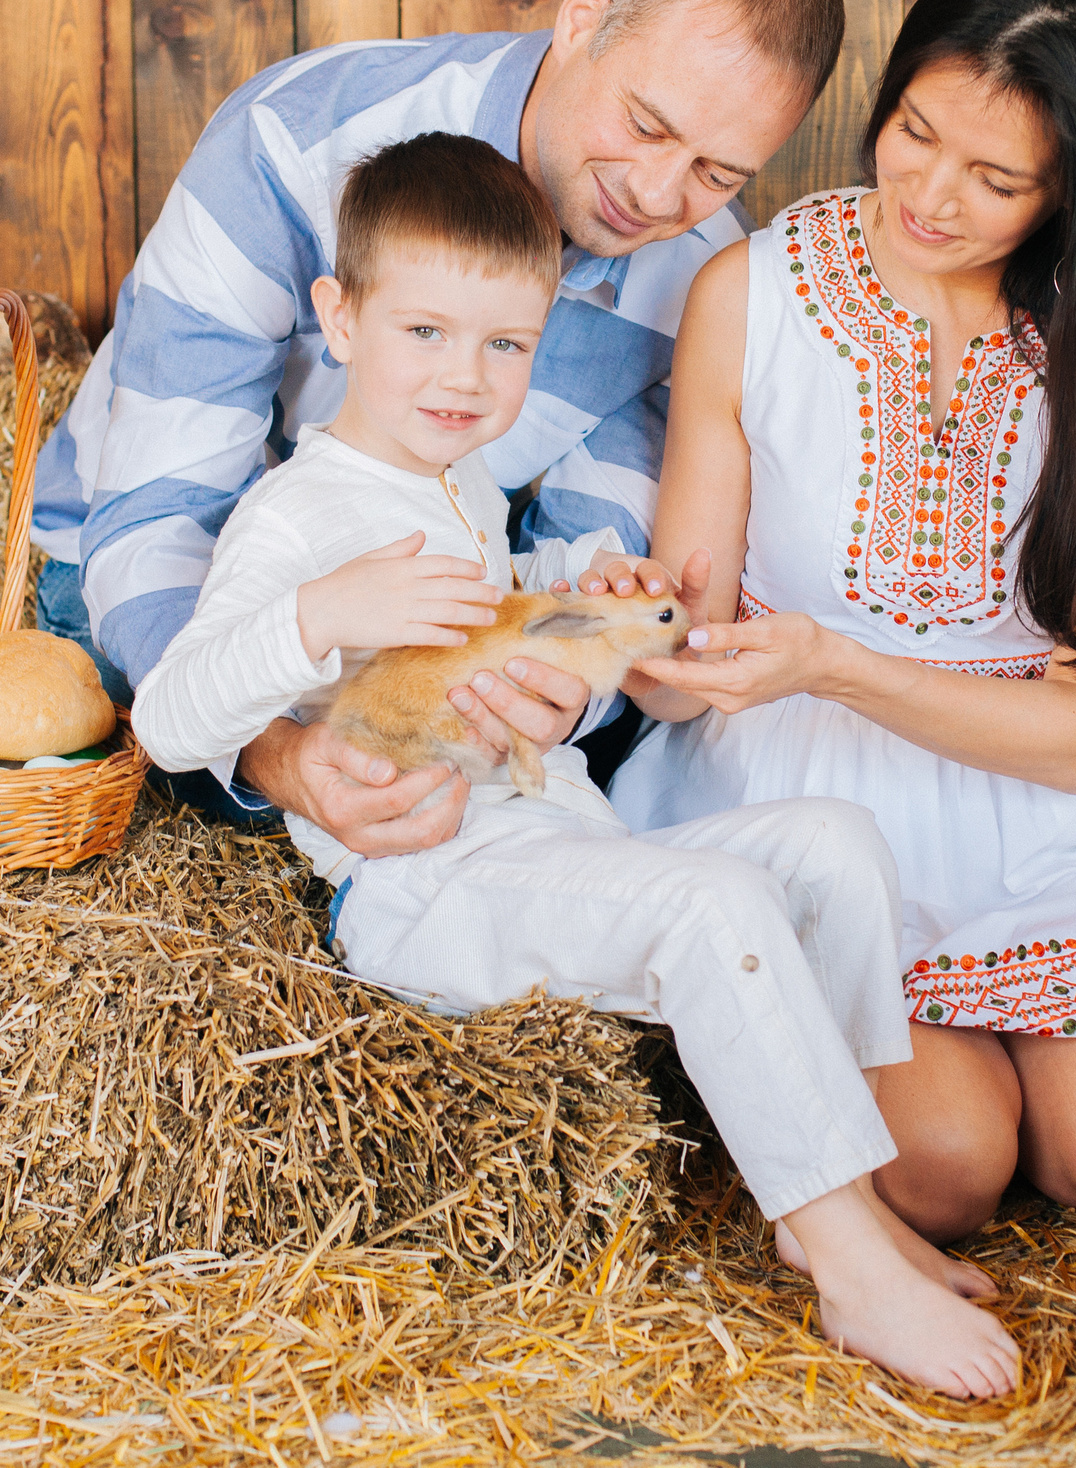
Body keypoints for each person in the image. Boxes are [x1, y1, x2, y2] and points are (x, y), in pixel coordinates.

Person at [132, 133, 1022, 1399]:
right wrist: (322, 612)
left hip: (554, 848)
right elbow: (168, 717)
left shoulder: (458, 485)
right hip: (424, 888)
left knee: (832, 841)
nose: (465, 376)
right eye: (427, 332)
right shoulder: (300, 515)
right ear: (337, 317)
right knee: (713, 905)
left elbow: (486, 646)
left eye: (506, 345)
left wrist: (580, 596)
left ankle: (850, 1199)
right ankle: (849, 1269)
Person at [612, 0, 1076, 1247]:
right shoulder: (755, 298)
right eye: (915, 131)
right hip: (812, 797)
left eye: (998, 177)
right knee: (952, 1166)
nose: (932, 194)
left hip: (1042, 806)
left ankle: (1020, 1065)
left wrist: (832, 662)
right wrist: (638, 634)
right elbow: (679, 646)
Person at [31, 0, 844, 851]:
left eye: (719, 173)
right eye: (645, 124)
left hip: (431, 631)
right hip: (170, 603)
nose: (659, 196)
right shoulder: (293, 139)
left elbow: (573, 566)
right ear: (583, 15)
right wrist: (281, 758)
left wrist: (560, 699)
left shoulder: (705, 281)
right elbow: (158, 518)